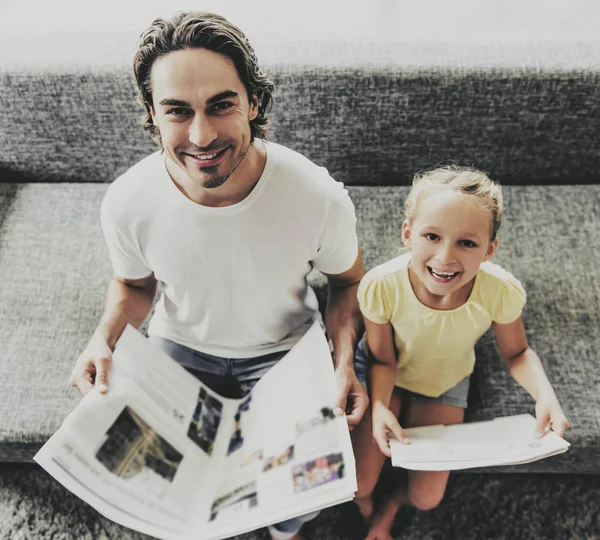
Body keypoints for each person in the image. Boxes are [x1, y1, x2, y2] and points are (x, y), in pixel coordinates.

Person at [68, 11, 368, 540]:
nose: (201, 135)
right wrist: (104, 339)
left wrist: (344, 363)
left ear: (253, 101)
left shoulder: (316, 196)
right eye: (178, 112)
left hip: (286, 355)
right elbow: (135, 287)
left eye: (221, 105)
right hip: (179, 351)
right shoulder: (127, 202)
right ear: (152, 115)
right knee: (154, 485)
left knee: (296, 500)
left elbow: (347, 283)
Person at [350, 165, 570, 540]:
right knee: (359, 483)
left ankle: (390, 506)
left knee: (426, 497)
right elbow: (382, 358)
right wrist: (381, 406)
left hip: (445, 382)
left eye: (467, 243)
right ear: (408, 234)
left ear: (489, 249)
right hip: (386, 373)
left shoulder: (501, 291)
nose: (445, 257)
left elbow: (517, 353)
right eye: (432, 236)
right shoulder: (380, 286)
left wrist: (546, 396)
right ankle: (366, 505)